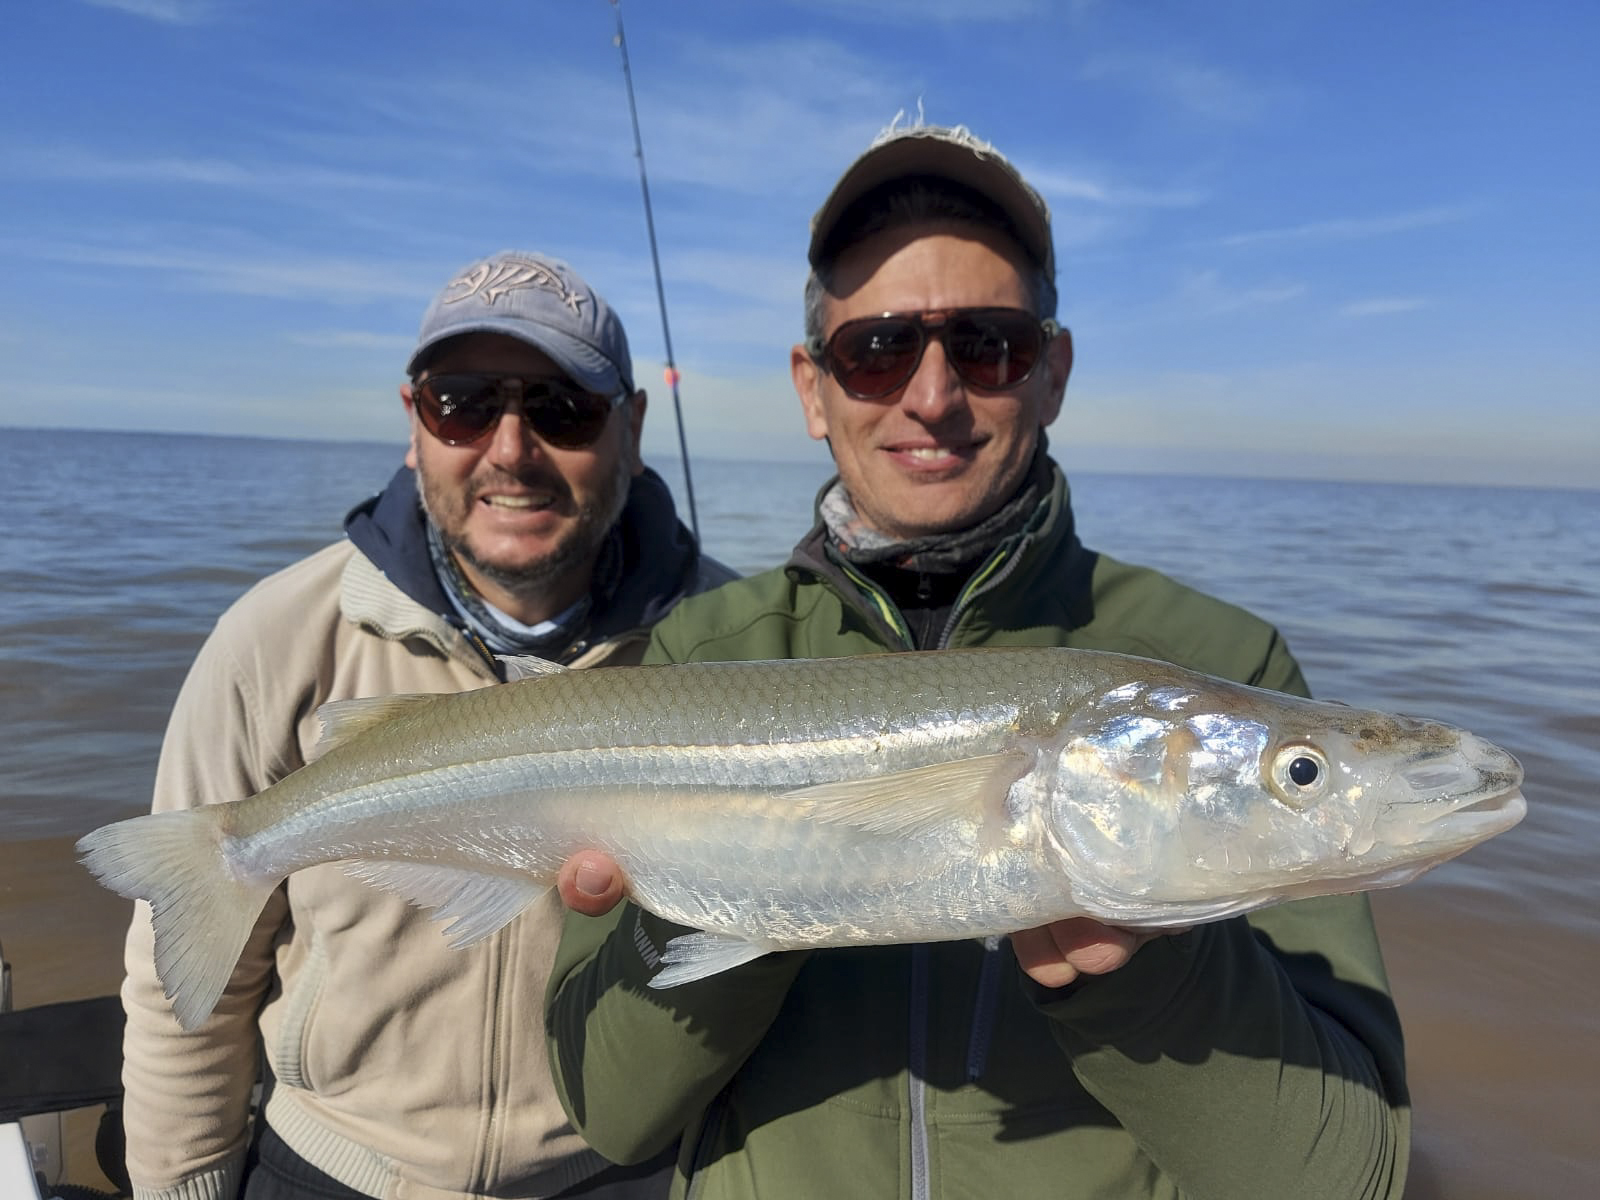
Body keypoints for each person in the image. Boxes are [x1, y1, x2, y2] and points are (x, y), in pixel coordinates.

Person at [544, 126, 1410, 1199]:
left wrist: (1149, 969)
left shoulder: (1219, 662)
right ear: (812, 389)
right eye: (876, 350)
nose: (932, 395)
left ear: (1051, 372)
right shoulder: (701, 654)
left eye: (988, 344)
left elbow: (1342, 1178)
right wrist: (725, 901)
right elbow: (614, 1118)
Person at [120, 249, 733, 1200]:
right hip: (332, 1166)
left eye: (562, 408)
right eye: (463, 403)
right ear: (414, 424)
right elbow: (186, 988)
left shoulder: (732, 641)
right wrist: (183, 1185)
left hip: (628, 1168)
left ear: (632, 428)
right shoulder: (275, 639)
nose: (510, 448)